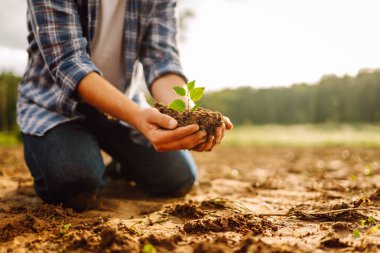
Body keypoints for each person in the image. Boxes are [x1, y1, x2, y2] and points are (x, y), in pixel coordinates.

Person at [18, 0, 233, 211]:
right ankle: (80, 159)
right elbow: (69, 63)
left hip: (124, 105)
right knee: (74, 185)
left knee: (177, 178)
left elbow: (162, 60)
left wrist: (187, 117)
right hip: (54, 106)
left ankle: (120, 166)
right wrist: (138, 117)